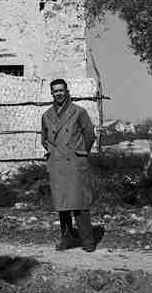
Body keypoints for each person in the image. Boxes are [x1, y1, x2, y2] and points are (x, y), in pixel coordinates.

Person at [41, 78, 96, 251]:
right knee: (62, 204)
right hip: (57, 164)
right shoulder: (46, 115)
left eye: (61, 90)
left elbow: (89, 135)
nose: (58, 93)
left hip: (75, 163)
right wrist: (53, 152)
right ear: (51, 93)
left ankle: (88, 241)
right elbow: (44, 139)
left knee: (80, 203)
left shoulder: (79, 112)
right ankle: (67, 238)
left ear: (66, 91)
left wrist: (80, 152)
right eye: (55, 91)